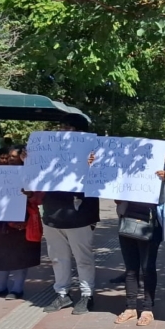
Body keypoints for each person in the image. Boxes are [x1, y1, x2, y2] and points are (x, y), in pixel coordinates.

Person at [41, 118, 101, 315]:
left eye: (68, 127)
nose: (62, 130)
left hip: (80, 213)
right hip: (52, 212)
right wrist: (29, 161)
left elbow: (104, 180)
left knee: (82, 258)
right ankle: (62, 294)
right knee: (58, 258)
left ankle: (87, 295)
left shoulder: (94, 152)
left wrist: (93, 165)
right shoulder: (49, 151)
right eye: (62, 126)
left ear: (80, 133)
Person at [115, 172, 165, 326]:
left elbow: (164, 199)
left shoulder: (158, 170)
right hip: (127, 223)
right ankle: (130, 308)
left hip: (151, 226)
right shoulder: (127, 168)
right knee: (131, 269)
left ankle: (147, 309)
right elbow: (117, 200)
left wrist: (163, 180)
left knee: (147, 268)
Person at [0, 150, 43, 300]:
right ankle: (0, 287)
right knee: (1, 254)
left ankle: (17, 288)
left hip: (22, 221)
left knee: (20, 255)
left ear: (23, 157)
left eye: (14, 157)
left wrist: (30, 194)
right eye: (6, 157)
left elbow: (39, 198)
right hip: (0, 221)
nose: (9, 160)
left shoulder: (31, 174)